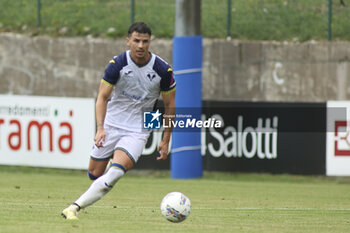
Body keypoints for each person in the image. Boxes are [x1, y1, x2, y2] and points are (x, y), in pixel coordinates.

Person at [61, 22, 176, 220]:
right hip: (112, 124)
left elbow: (170, 106)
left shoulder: (162, 70)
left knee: (115, 173)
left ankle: (73, 208)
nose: (140, 45)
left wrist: (166, 139)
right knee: (94, 173)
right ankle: (101, 180)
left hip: (139, 128)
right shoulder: (117, 64)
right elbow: (102, 97)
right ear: (128, 41)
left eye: (145, 41)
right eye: (136, 40)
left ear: (150, 42)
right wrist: (100, 128)